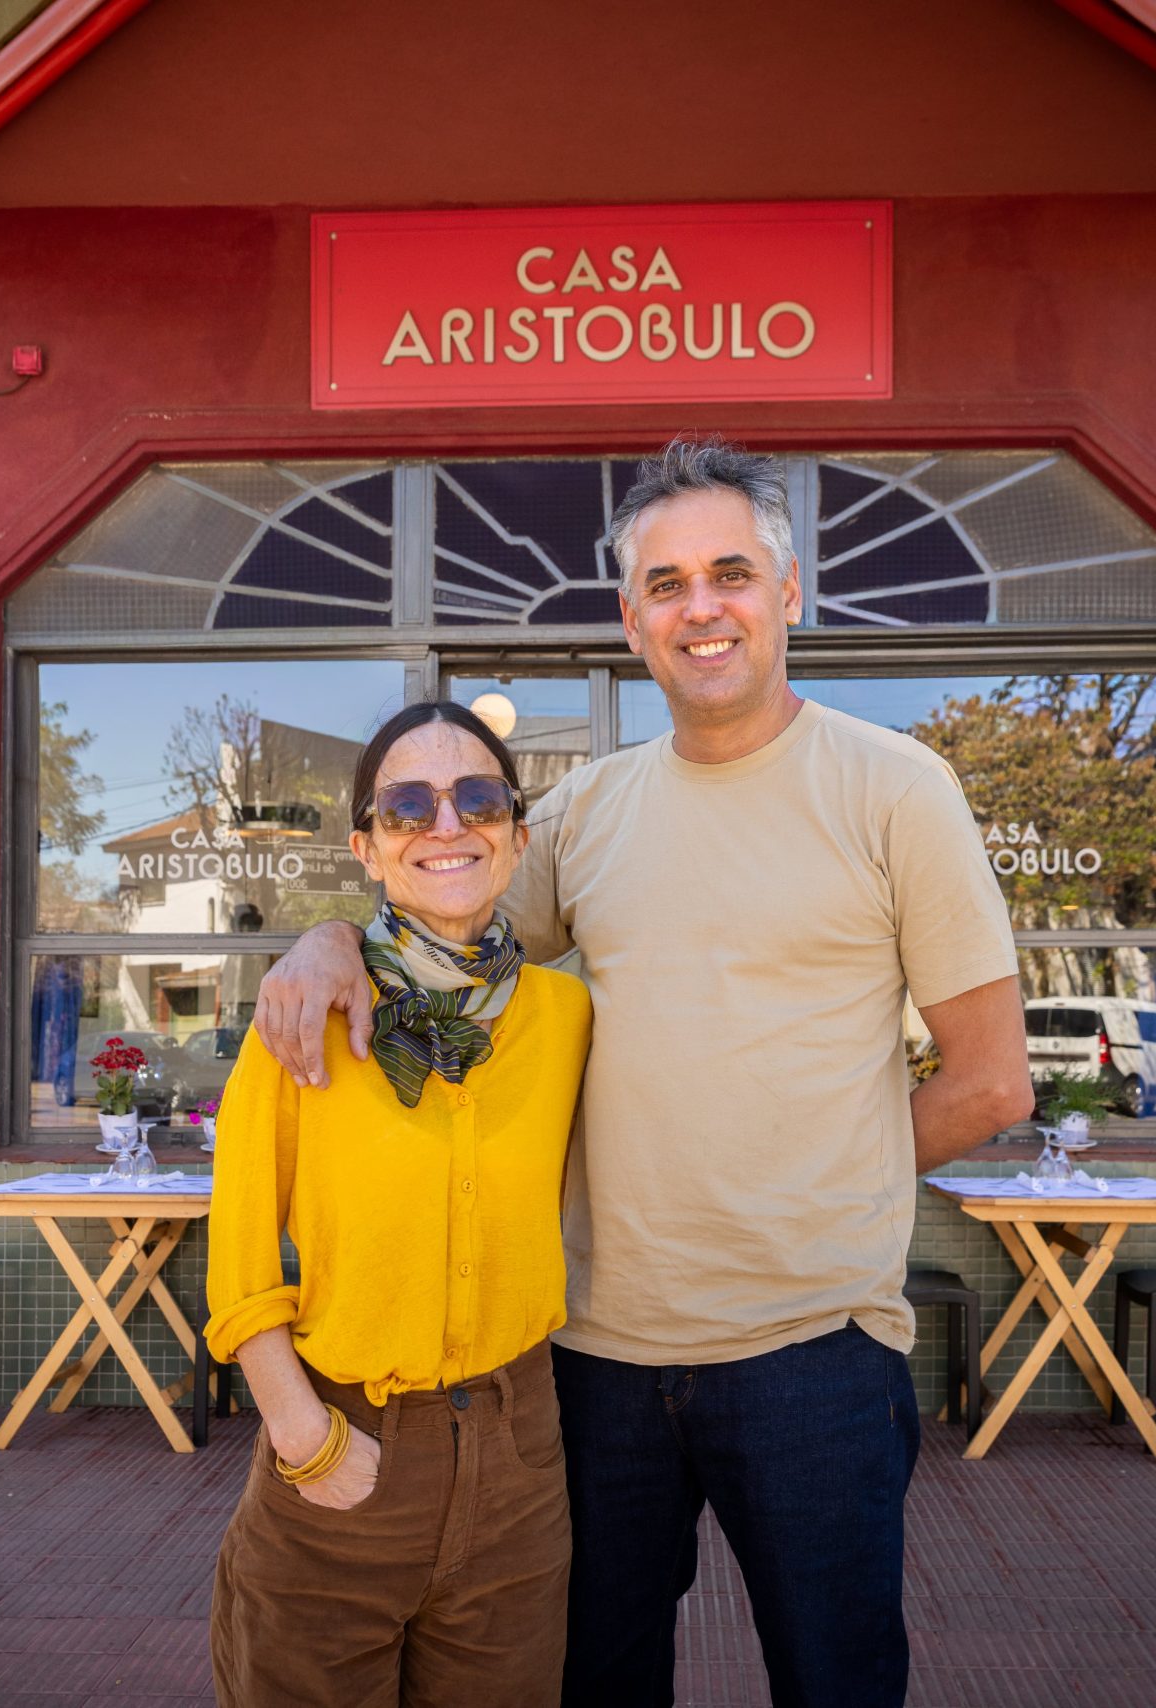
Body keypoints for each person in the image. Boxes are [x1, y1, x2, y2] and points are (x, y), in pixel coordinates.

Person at [253, 437, 1034, 1708]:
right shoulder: (586, 812)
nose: (699, 606)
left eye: (729, 571)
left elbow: (993, 1082)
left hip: (812, 1356)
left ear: (789, 591)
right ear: (630, 620)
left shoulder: (897, 791)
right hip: (590, 1362)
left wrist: (810, 1188)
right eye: (664, 584)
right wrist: (330, 934)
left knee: (837, 1684)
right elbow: (444, 921)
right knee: (593, 1685)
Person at [206, 700, 593, 1708]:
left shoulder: (565, 1018)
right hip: (345, 1444)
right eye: (407, 805)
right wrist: (307, 1440)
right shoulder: (300, 1015)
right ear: (367, 848)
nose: (446, 825)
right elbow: (240, 1263)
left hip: (521, 1454)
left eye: (477, 798)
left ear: (513, 833)